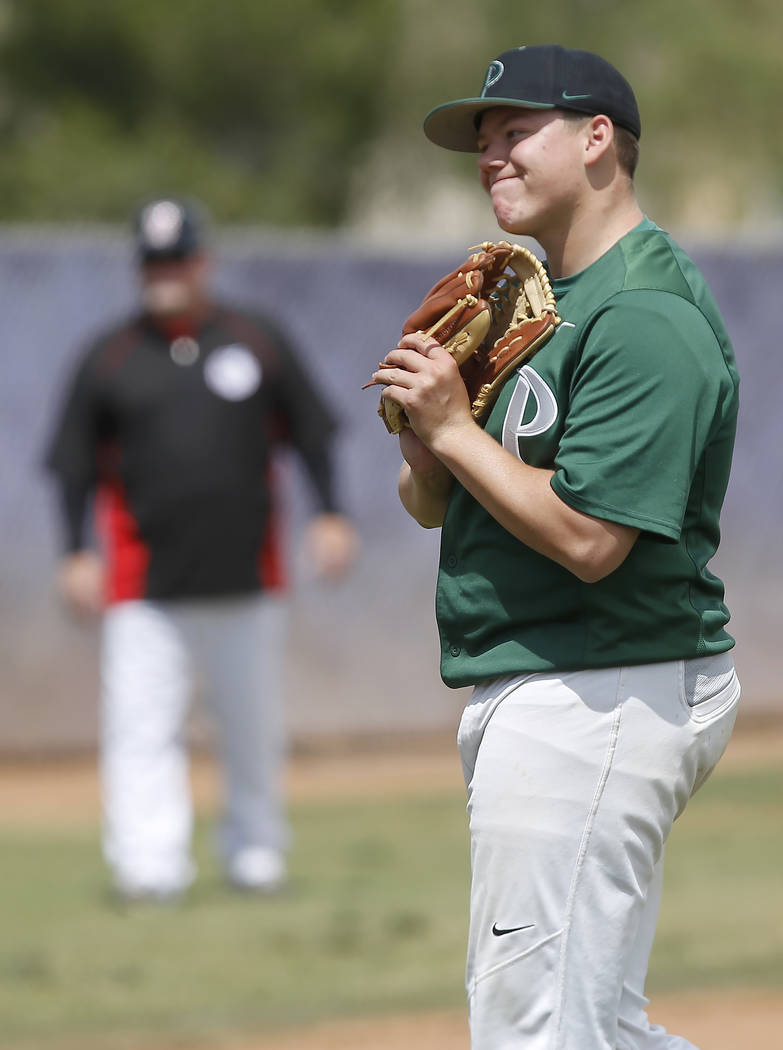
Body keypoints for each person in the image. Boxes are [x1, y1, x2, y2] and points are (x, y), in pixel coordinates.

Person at [369, 45, 740, 1050]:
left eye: (514, 130)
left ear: (597, 138)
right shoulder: (540, 305)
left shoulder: (644, 314)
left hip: (603, 683)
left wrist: (454, 429)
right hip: (552, 680)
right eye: (481, 140)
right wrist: (427, 430)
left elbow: (589, 539)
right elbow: (432, 506)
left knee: (538, 1030)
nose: (490, 154)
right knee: (593, 1025)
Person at [45, 196, 358, 902]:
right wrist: (73, 550)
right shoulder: (109, 356)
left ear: (202, 260)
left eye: (177, 259)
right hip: (143, 586)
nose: (165, 274)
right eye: (152, 262)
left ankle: (255, 855)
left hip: (248, 576)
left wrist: (331, 513)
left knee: (250, 729)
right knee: (141, 730)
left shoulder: (255, 339)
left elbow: (311, 431)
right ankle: (148, 866)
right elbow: (71, 463)